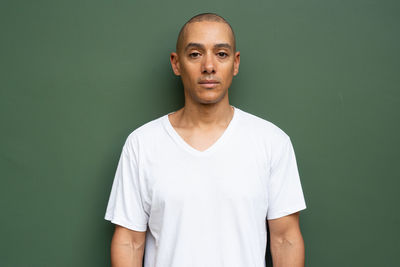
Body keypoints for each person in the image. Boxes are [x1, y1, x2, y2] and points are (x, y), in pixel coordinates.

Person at [104, 12, 306, 267]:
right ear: (176, 63)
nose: (209, 66)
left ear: (235, 62)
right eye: (195, 54)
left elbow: (285, 239)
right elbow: (129, 242)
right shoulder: (142, 144)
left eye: (221, 54)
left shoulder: (272, 142)